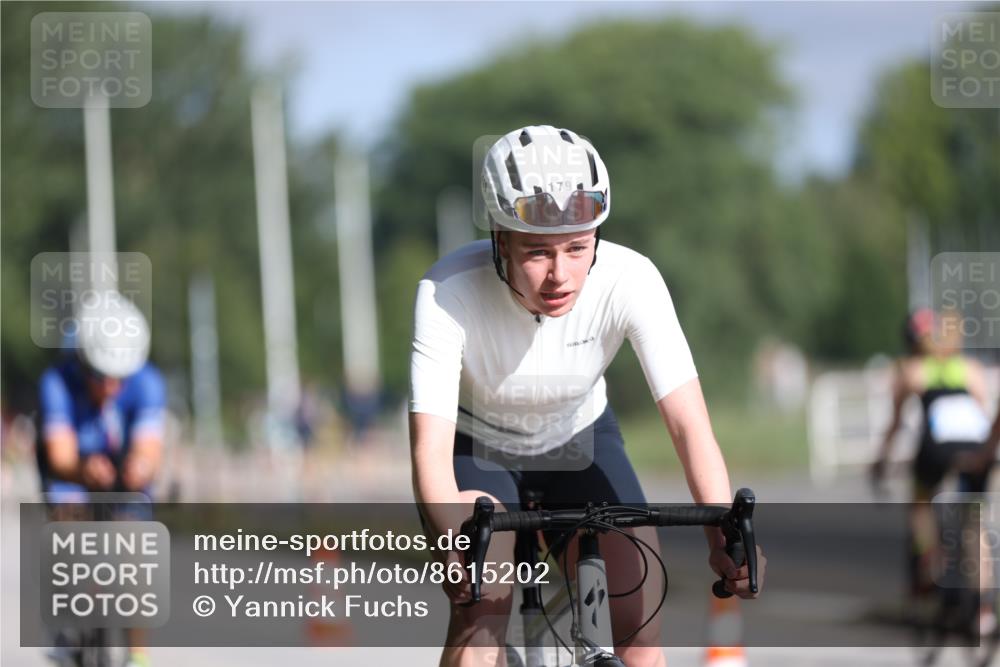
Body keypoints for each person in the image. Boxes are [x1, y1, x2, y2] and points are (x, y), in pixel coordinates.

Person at [409, 125, 765, 667]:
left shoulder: (631, 278)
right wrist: (452, 541)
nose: (560, 275)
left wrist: (723, 529)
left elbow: (688, 425)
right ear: (499, 239)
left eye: (578, 248)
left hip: (580, 437)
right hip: (478, 447)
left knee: (638, 618)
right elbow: (429, 451)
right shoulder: (446, 292)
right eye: (537, 252)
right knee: (483, 608)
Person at [37, 292, 166, 667]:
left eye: (119, 380)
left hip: (122, 470)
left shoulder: (147, 381)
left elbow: (150, 449)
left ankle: (138, 654)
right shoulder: (57, 382)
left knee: (136, 546)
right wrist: (83, 470)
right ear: (81, 361)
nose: (110, 388)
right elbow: (60, 457)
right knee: (69, 519)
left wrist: (140, 467)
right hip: (74, 469)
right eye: (100, 377)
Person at [872, 308, 992, 623]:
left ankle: (928, 558)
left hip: (936, 449)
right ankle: (984, 608)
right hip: (977, 447)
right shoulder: (970, 368)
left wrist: (881, 462)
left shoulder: (911, 370)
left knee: (921, 501)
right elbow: (982, 416)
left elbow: (895, 426)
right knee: (973, 523)